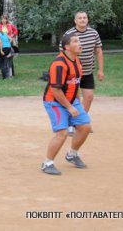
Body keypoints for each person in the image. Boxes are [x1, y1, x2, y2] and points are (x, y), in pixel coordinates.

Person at [41, 34, 92, 175]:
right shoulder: (59, 64)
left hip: (71, 100)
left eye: (80, 41)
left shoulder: (77, 61)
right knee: (62, 133)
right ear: (67, 47)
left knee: (85, 127)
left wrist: (77, 103)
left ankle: (72, 154)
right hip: (54, 102)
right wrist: (69, 108)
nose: (80, 44)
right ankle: (47, 163)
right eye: (76, 41)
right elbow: (55, 90)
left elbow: (75, 84)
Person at [60, 11, 103, 135]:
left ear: (87, 20)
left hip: (87, 71)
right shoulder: (69, 34)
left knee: (89, 98)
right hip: (72, 72)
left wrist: (100, 70)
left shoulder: (93, 33)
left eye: (84, 18)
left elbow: (99, 51)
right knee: (74, 99)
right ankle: (71, 124)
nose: (82, 20)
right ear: (75, 21)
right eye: (80, 18)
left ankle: (79, 122)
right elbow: (62, 53)